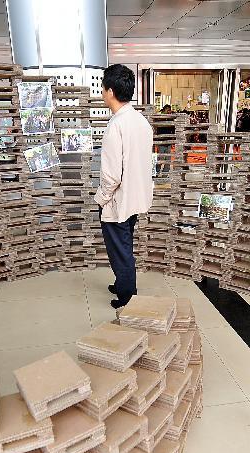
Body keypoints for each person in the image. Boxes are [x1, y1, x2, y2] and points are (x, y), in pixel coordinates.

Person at [96, 64, 154, 309]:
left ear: (110, 91)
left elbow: (111, 176)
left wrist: (101, 198)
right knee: (125, 243)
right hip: (136, 198)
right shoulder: (141, 121)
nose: (101, 92)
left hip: (118, 201)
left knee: (120, 251)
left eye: (102, 87)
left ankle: (128, 298)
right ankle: (122, 284)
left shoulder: (115, 126)